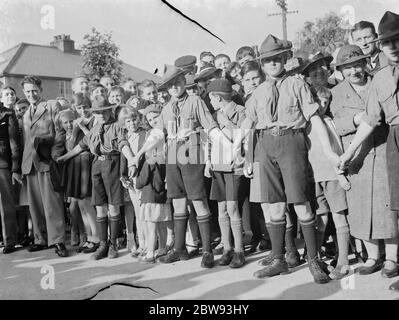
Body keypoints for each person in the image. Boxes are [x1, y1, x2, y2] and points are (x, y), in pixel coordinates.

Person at [232, 34, 340, 284]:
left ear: (284, 59)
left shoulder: (297, 84)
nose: (272, 63)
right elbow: (248, 122)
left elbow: (314, 118)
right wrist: (237, 150)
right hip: (265, 145)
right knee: (275, 205)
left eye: (277, 59)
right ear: (263, 63)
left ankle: (314, 259)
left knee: (301, 202)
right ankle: (279, 259)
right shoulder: (258, 91)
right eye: (268, 60)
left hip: (292, 142)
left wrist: (330, 152)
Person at [129, 65, 234, 268]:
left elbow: (210, 126)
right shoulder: (167, 108)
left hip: (191, 151)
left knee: (198, 201)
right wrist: (139, 155)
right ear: (166, 89)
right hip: (172, 155)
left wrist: (229, 147)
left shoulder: (195, 100)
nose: (175, 87)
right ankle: (179, 249)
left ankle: (207, 251)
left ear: (183, 82)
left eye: (177, 82)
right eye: (170, 85)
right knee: (178, 201)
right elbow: (158, 134)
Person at [338, 11, 399, 291]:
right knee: (385, 206)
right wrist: (348, 153)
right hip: (382, 147)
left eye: (396, 40)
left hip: (389, 144)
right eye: (388, 43)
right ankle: (377, 257)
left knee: (391, 207)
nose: (393, 47)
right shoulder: (381, 78)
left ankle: (392, 260)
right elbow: (371, 118)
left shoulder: (379, 74)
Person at [59, 95, 126, 260]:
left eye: (104, 112)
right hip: (97, 167)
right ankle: (102, 244)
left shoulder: (117, 127)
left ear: (111, 111)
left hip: (112, 165)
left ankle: (112, 244)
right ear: (94, 114)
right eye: (97, 113)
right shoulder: (94, 130)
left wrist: (127, 168)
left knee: (113, 207)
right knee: (100, 207)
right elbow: (80, 147)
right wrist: (63, 158)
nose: (101, 116)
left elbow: (124, 146)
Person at [20, 75, 68, 257]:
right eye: (27, 91)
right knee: (35, 204)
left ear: (41, 90)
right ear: (23, 93)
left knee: (52, 203)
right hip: (30, 163)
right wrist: (20, 168)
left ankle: (58, 240)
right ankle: (40, 239)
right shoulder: (25, 114)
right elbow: (25, 141)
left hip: (47, 161)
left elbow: (60, 132)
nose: (31, 94)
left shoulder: (51, 106)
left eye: (34, 90)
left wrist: (56, 155)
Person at [307, 86, 351, 280]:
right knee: (320, 219)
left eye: (326, 102)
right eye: (319, 101)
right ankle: (316, 258)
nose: (323, 106)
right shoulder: (307, 122)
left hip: (332, 175)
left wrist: (340, 173)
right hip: (315, 176)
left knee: (339, 216)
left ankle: (343, 261)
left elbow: (337, 148)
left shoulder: (328, 121)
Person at [206, 79, 246, 268]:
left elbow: (245, 138)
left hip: (233, 165)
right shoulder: (214, 115)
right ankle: (227, 248)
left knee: (232, 208)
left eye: (210, 98)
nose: (210, 101)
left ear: (216, 97)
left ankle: (239, 250)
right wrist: (208, 161)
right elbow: (210, 140)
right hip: (217, 165)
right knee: (222, 208)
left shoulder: (240, 111)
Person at [57, 94, 99, 253]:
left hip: (86, 162)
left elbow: (91, 140)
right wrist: (75, 129)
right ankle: (89, 237)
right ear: (75, 109)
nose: (83, 110)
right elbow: (69, 146)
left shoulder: (94, 120)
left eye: (85, 106)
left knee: (88, 203)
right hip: (75, 164)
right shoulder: (74, 123)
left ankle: (96, 238)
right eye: (79, 108)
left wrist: (82, 127)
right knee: (81, 204)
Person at [135, 104, 172, 263]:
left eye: (155, 117)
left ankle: (150, 252)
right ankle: (162, 249)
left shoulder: (151, 158)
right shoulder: (164, 155)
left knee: (151, 226)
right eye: (149, 119)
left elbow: (142, 180)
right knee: (162, 224)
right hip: (161, 191)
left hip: (150, 194)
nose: (152, 121)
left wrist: (138, 157)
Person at [118, 106, 147, 257]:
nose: (132, 123)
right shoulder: (124, 138)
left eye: (134, 119)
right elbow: (123, 160)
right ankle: (141, 242)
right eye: (128, 121)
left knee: (145, 211)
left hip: (143, 175)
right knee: (137, 211)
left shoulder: (144, 134)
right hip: (131, 178)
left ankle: (149, 244)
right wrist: (123, 177)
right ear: (123, 123)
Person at [0, 102, 22, 253]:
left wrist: (15, 168)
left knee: (5, 205)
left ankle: (10, 241)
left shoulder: (8, 114)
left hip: (3, 165)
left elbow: (14, 143)